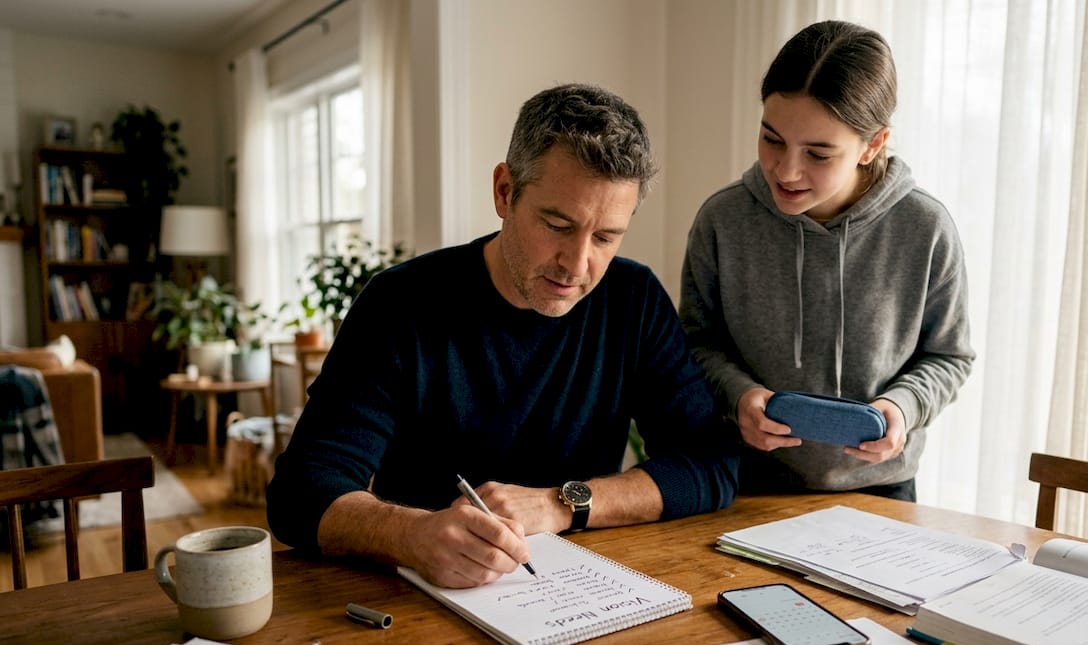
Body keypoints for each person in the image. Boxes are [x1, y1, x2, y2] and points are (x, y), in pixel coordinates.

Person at [268, 83, 739, 588]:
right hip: (419, 598)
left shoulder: (633, 298)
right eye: (558, 225)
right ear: (504, 191)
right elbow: (301, 493)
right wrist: (412, 534)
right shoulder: (399, 303)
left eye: (605, 237)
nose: (578, 265)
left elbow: (711, 464)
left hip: (576, 593)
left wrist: (563, 504)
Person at [679, 20, 974, 501]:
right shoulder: (723, 219)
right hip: (748, 484)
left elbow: (949, 355)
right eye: (772, 139)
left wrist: (903, 407)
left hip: (880, 491)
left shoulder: (925, 228)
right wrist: (740, 397)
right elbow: (696, 343)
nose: (786, 170)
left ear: (874, 144)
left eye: (818, 153)